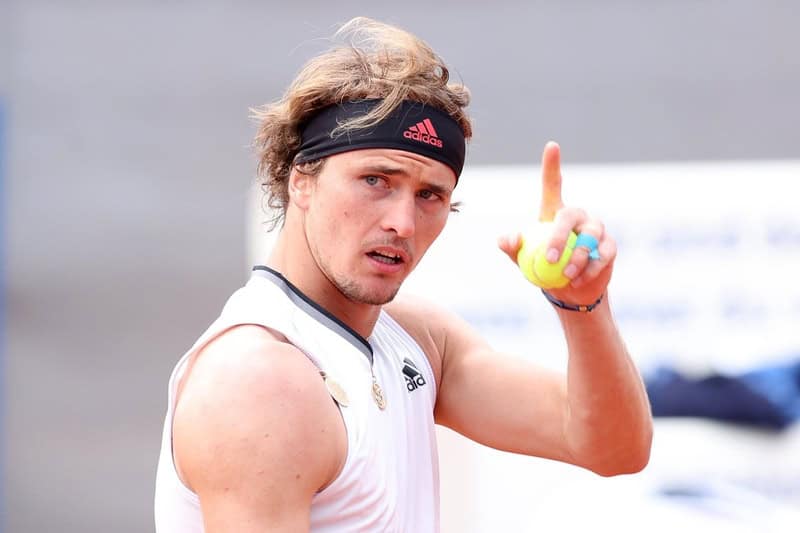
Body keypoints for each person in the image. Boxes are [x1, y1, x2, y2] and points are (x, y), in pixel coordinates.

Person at [154, 16, 653, 533]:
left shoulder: (416, 338)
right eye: (376, 180)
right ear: (302, 181)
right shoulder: (260, 380)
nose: (403, 223)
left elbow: (612, 447)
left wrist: (583, 302)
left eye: (429, 195)